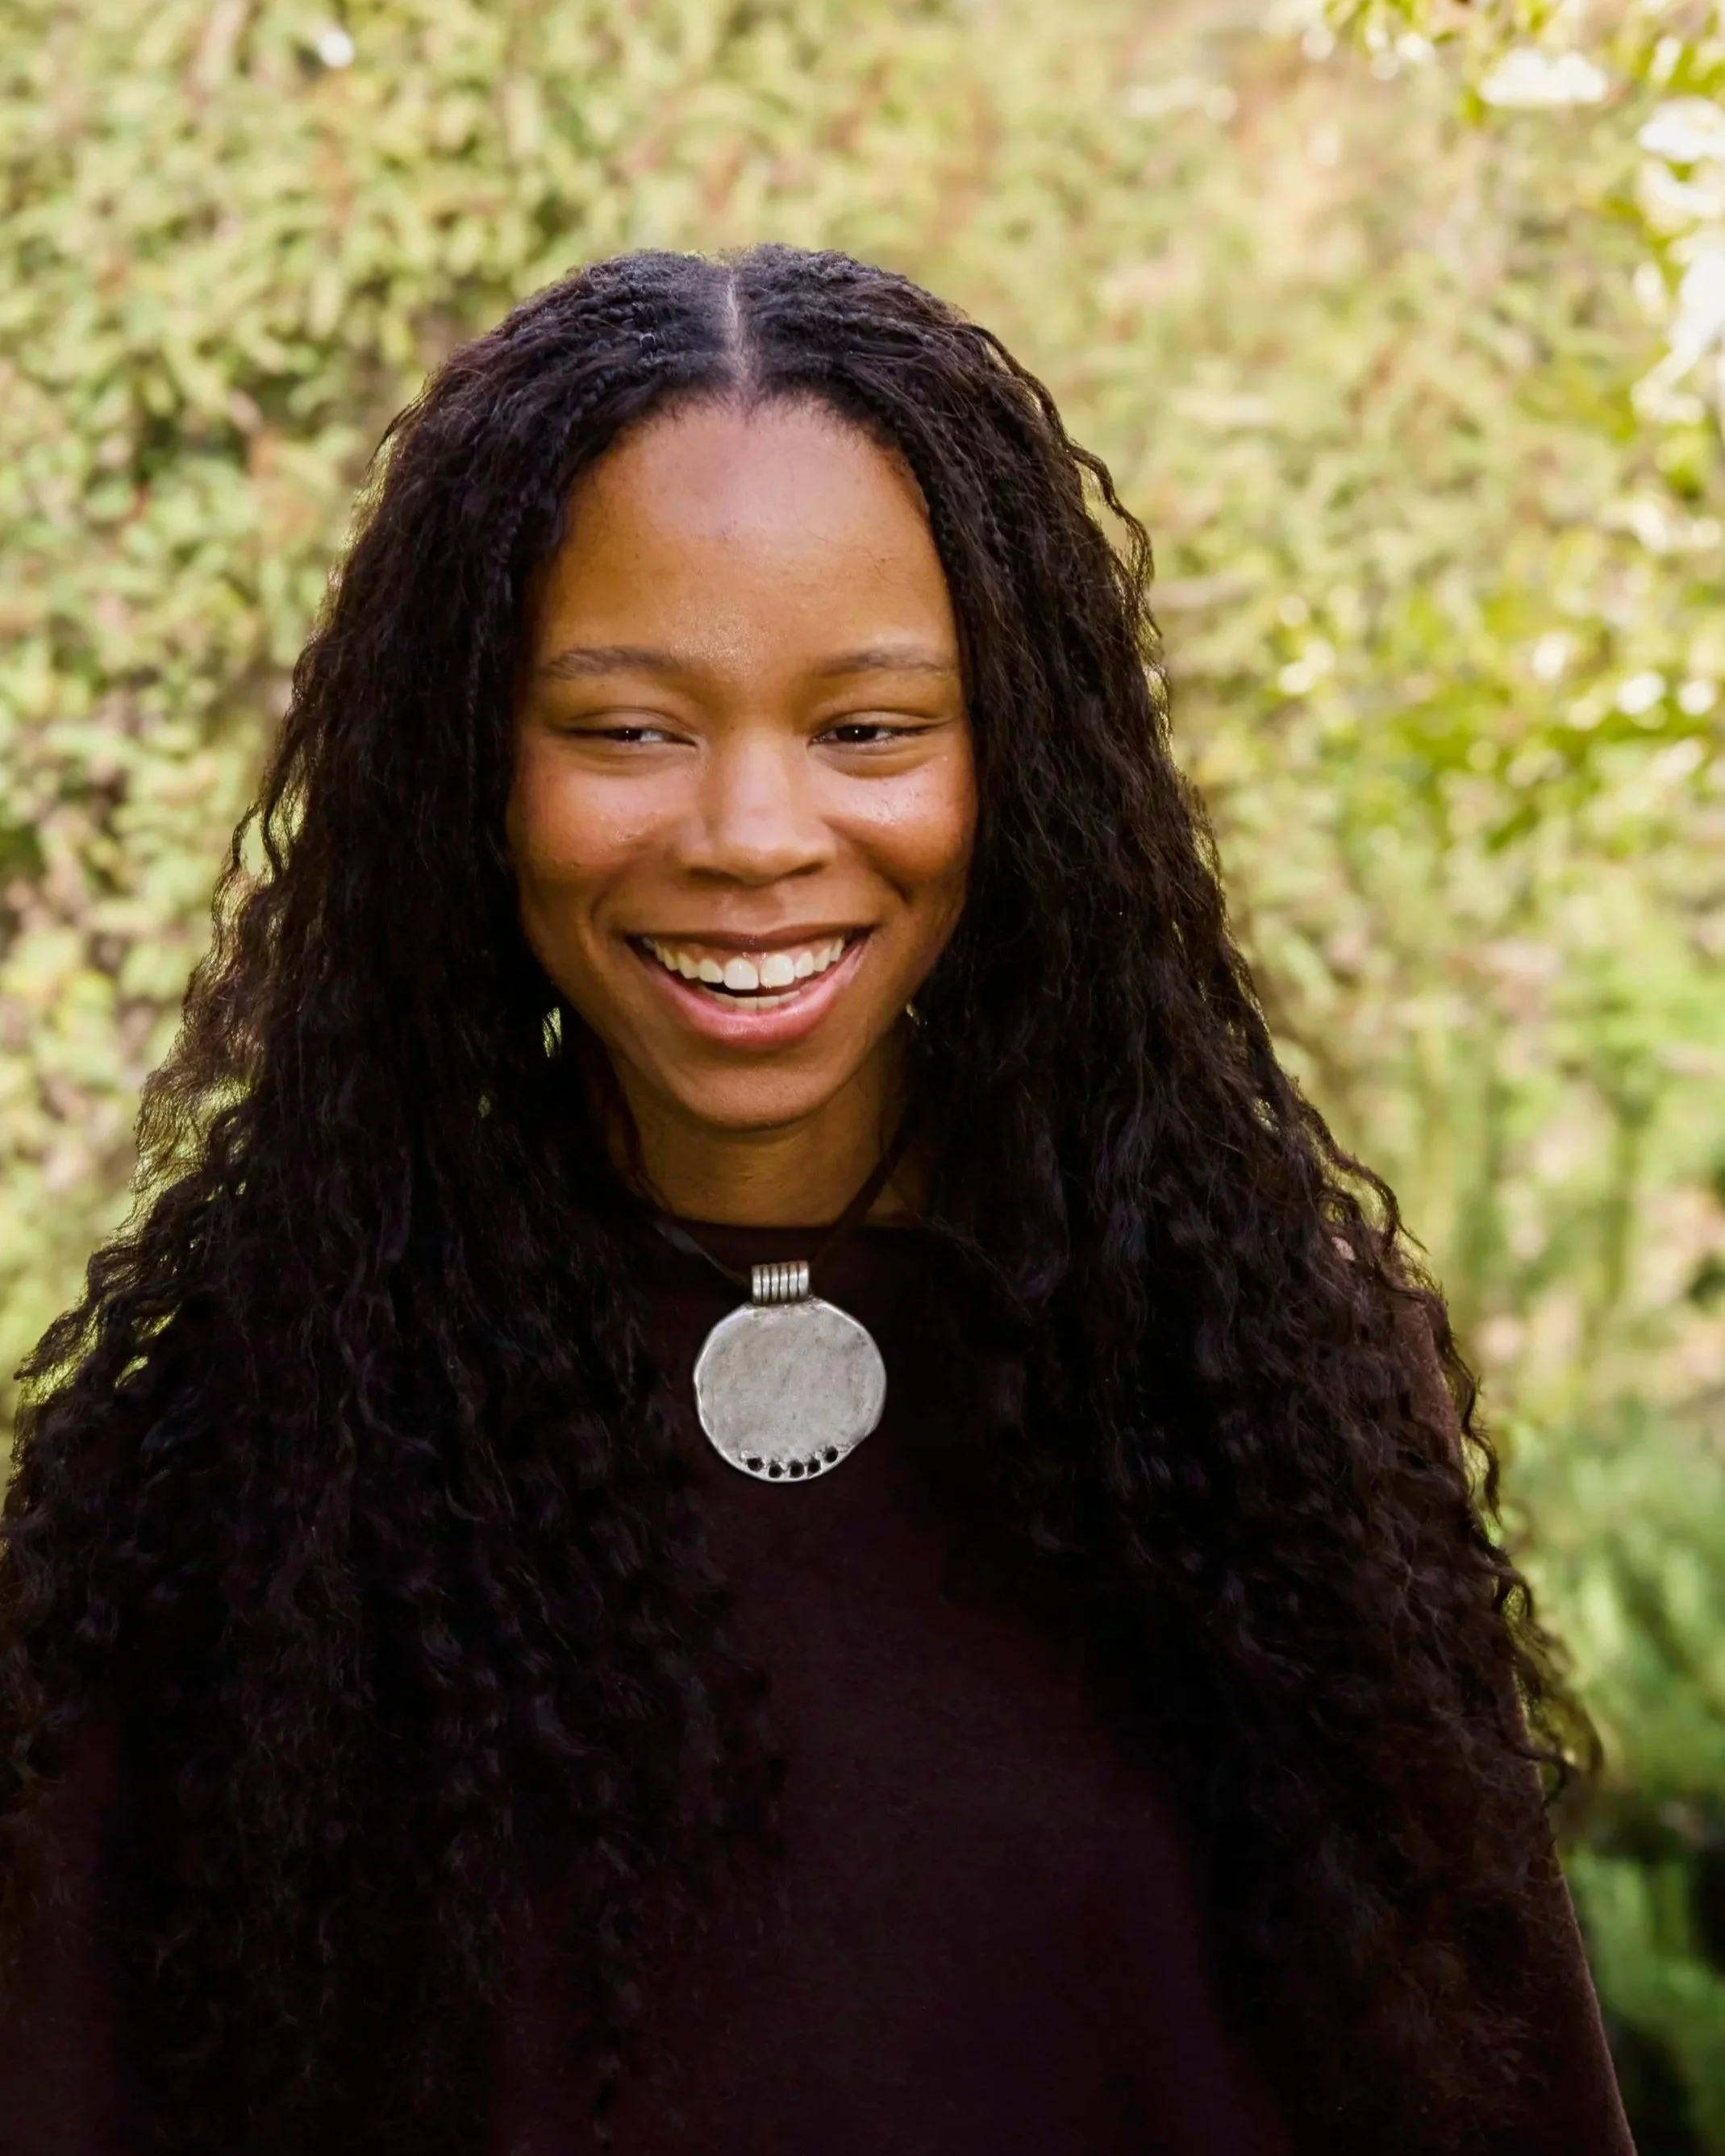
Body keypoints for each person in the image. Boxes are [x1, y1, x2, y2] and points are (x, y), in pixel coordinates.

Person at [0, 245, 1634, 2156]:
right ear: (468, 771)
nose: (756, 834)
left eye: (869, 727)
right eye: (625, 728)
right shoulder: (244, 1452)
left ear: (1014, 769)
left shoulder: (1258, 1401)